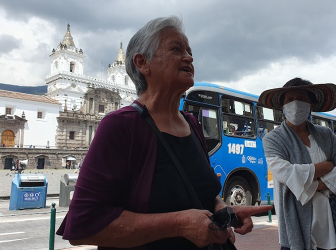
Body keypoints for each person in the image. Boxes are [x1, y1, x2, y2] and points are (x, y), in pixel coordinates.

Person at [56, 16, 271, 250]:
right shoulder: (120, 126)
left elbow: (204, 195)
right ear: (142, 63)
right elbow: (82, 227)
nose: (189, 57)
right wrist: (178, 225)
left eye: (189, 51)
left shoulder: (192, 123)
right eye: (176, 49)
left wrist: (223, 210)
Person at [259, 78, 336, 250]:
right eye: (290, 100)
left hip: (334, 222)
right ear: (282, 106)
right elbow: (286, 173)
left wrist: (313, 183)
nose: (296, 104)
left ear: (311, 105)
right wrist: (327, 167)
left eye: (302, 99)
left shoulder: (325, 134)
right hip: (297, 224)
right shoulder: (272, 139)